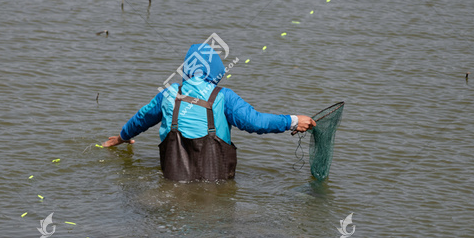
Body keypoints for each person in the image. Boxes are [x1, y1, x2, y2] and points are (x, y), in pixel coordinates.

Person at [103, 42, 316, 181]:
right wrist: (293, 121)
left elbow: (141, 119)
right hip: (216, 187)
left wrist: (121, 138)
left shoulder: (168, 94)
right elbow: (255, 122)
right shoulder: (224, 97)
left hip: (174, 183)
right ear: (215, 70)